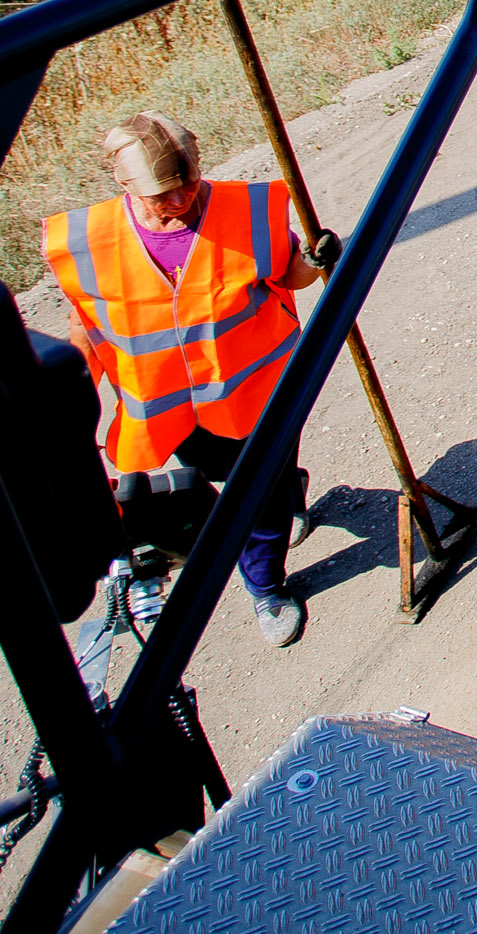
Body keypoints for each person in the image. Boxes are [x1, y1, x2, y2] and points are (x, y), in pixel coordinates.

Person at [44, 112, 324, 649]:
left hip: (258, 392)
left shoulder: (242, 211)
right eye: (162, 194)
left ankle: (265, 587)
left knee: (252, 493)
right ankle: (287, 490)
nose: (179, 200)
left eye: (188, 183)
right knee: (229, 473)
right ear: (124, 183)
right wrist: (67, 404)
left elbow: (287, 272)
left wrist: (312, 259)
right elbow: (87, 327)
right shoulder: (92, 241)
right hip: (172, 409)